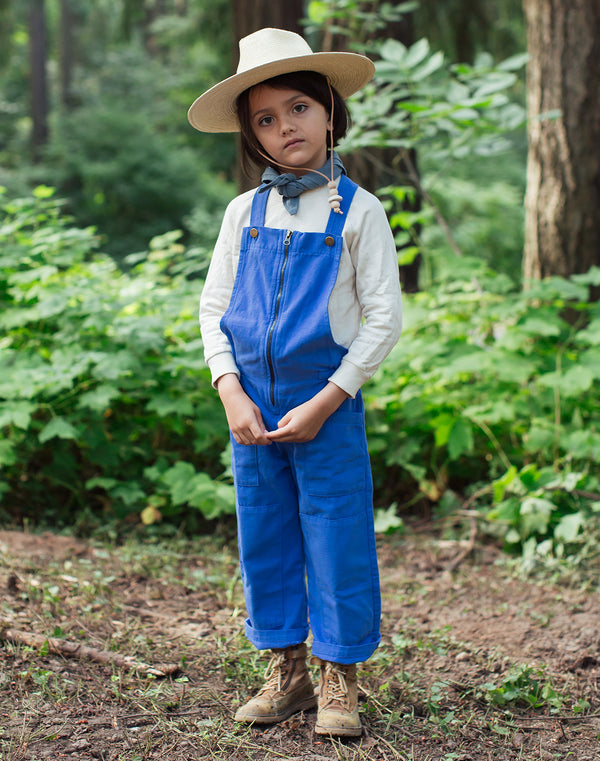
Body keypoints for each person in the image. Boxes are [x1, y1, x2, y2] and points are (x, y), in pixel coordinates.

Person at [188, 27, 402, 737]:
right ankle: (289, 670)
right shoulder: (242, 213)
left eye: (299, 109)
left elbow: (382, 318)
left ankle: (341, 674)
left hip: (326, 404)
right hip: (251, 408)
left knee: (337, 532)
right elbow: (214, 307)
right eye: (266, 120)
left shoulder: (359, 212)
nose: (286, 128)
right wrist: (228, 389)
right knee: (267, 533)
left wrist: (331, 395)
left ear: (330, 112)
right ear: (253, 137)